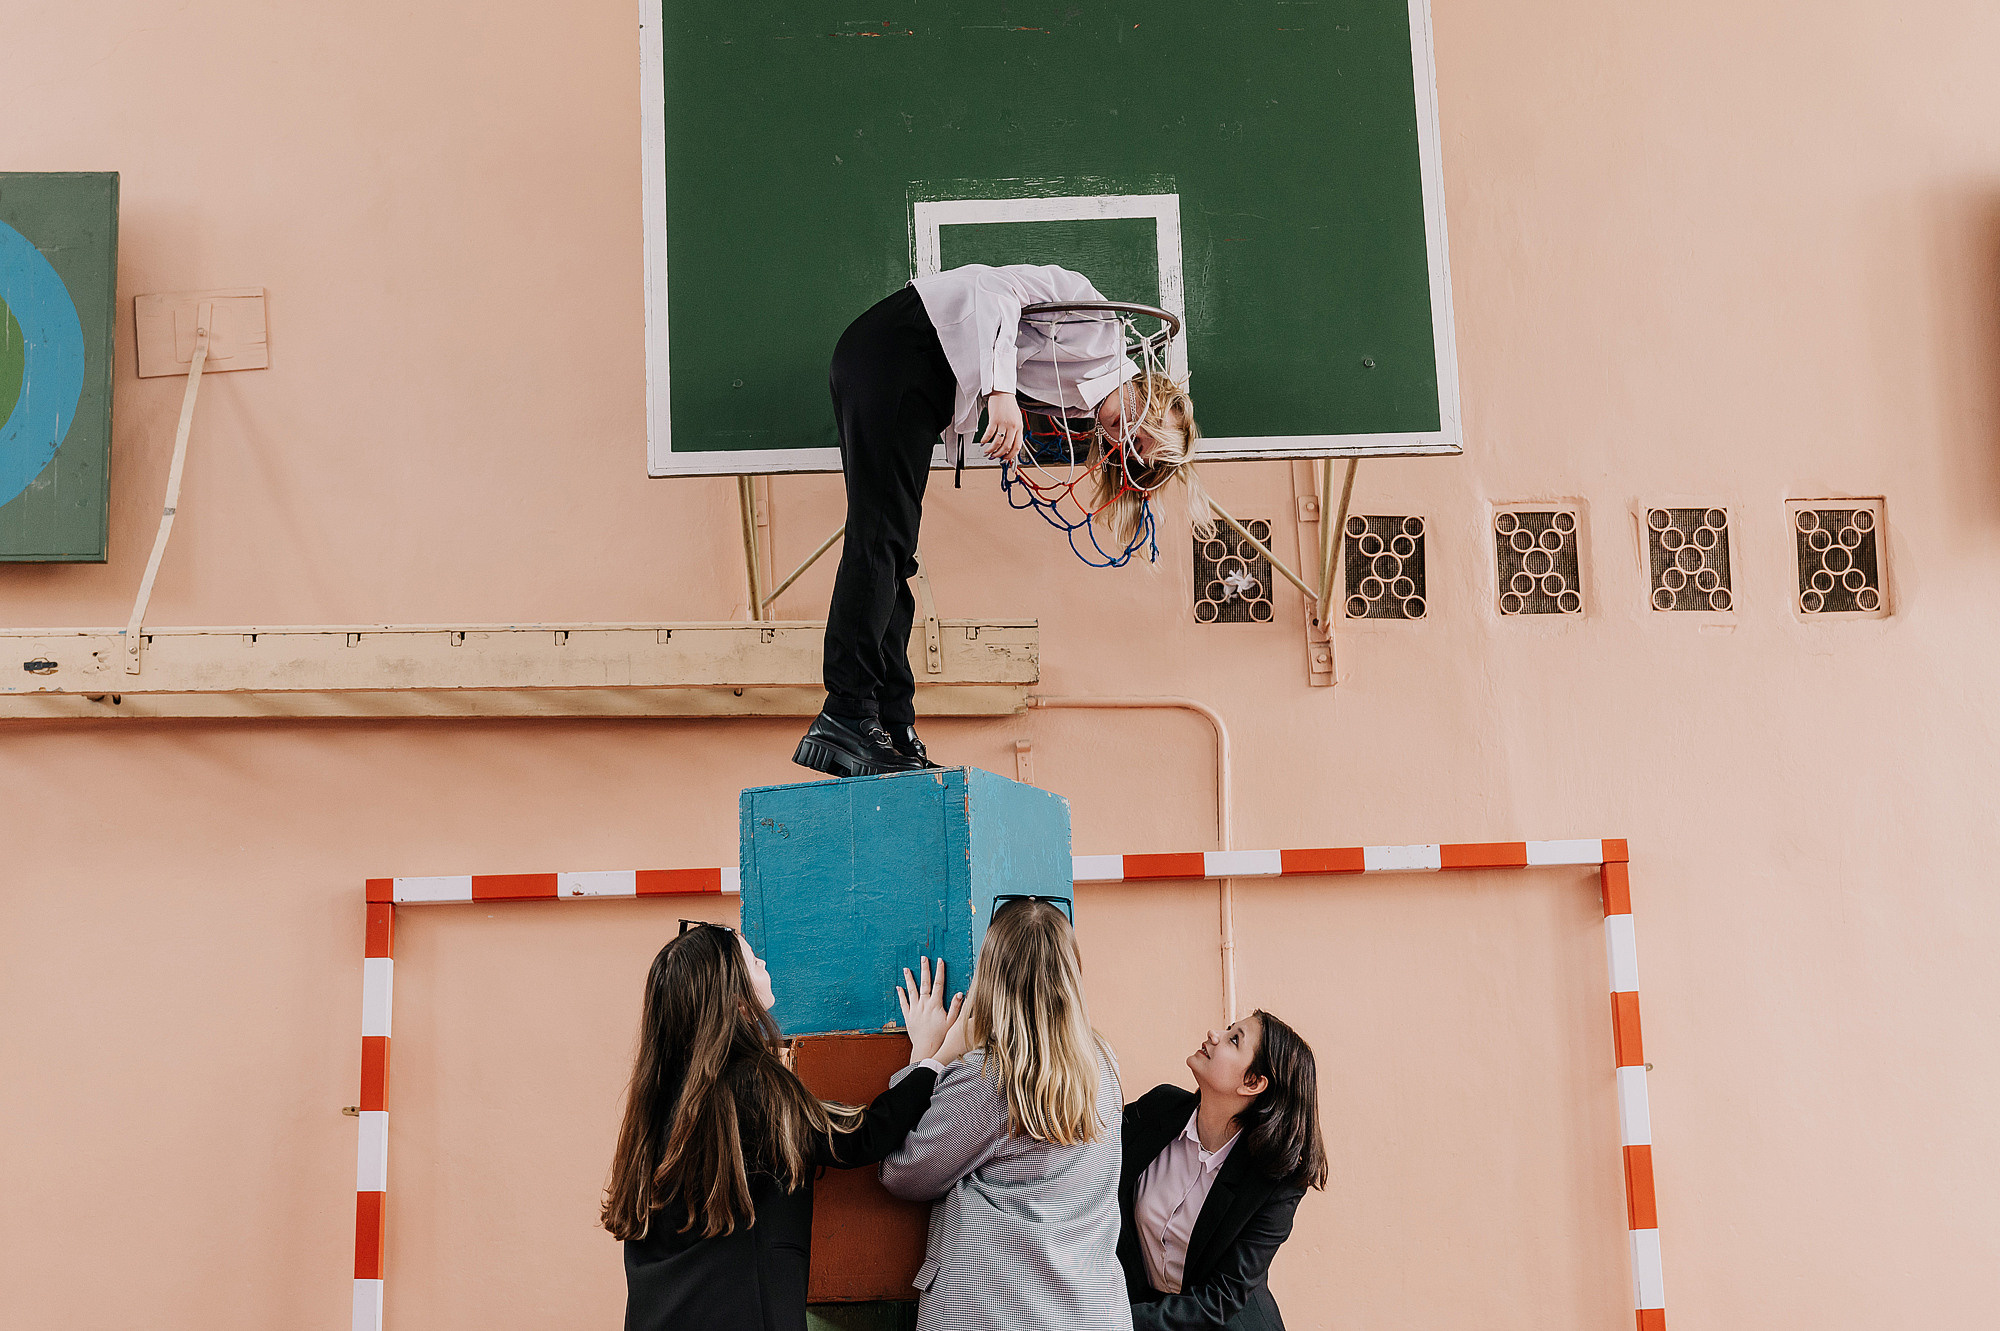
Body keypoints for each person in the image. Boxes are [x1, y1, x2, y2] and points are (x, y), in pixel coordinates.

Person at [793, 263, 1210, 779]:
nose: (1126, 440)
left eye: (1133, 451)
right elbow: (993, 287)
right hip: (897, 350)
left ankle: (891, 725)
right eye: (1143, 433)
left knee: (895, 554)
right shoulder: (1097, 324)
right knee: (879, 540)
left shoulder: (1073, 401)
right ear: (1155, 394)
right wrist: (1000, 393)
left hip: (913, 376)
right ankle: (847, 711)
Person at [603, 922, 967, 1331]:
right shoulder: (752, 1083)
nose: (762, 961)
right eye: (750, 959)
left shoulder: (654, 1100)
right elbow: (858, 1138)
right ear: (734, 997)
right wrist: (932, 1060)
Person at [880, 896, 1130, 1331]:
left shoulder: (990, 1080)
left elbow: (902, 1172)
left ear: (990, 977)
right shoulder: (1104, 1064)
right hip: (1092, 1312)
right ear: (1073, 972)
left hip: (995, 1313)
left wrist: (926, 1060)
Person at [1116, 1012, 1329, 1331]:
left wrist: (1111, 1321)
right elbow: (1088, 1172)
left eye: (1234, 1039)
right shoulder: (1157, 1109)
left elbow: (1220, 1298)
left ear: (1252, 1082)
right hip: (1137, 1313)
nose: (1213, 1034)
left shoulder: (1276, 1184)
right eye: (1228, 1030)